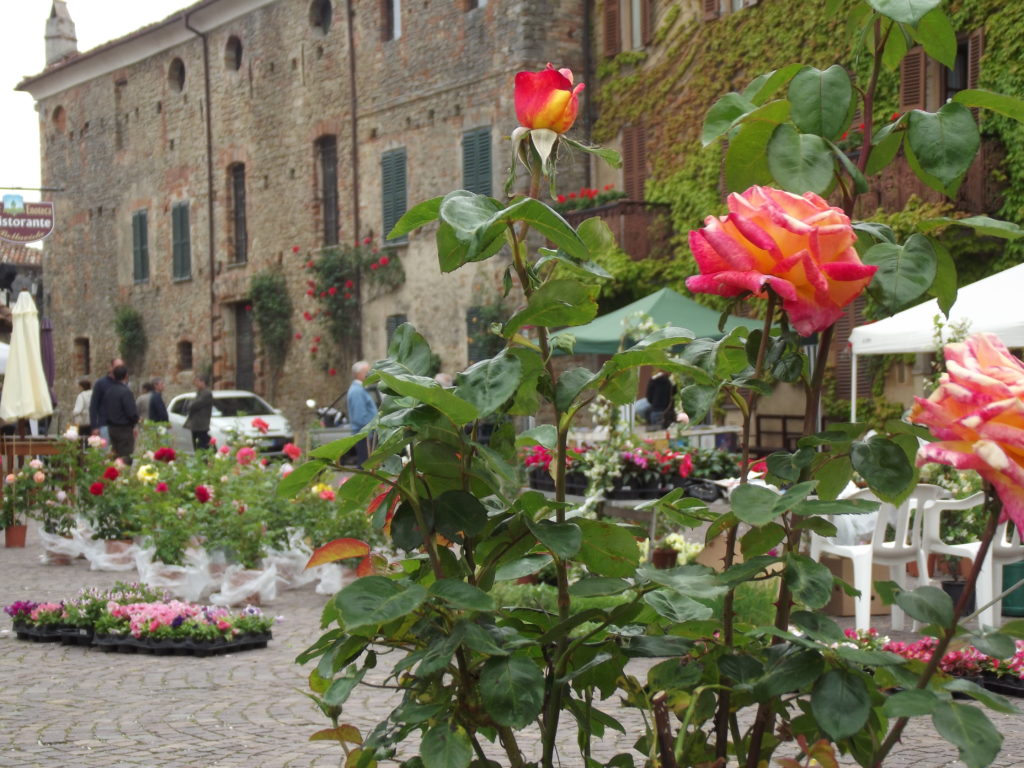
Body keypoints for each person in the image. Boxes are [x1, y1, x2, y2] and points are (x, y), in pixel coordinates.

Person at [103, 364, 139, 462]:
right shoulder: (125, 392)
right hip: (124, 429)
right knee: (126, 456)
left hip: (112, 428)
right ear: (126, 376)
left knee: (115, 455)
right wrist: (135, 421)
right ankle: (124, 476)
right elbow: (131, 412)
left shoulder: (108, 391)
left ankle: (115, 474)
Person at [347, 360, 378, 467]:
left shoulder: (360, 389)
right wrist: (373, 425)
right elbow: (359, 417)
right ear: (360, 374)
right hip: (364, 435)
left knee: (366, 464)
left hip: (365, 434)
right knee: (365, 465)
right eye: (367, 372)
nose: (369, 374)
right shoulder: (357, 391)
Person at [89, 357, 125, 440]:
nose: (119, 370)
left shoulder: (124, 385)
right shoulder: (101, 384)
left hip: (121, 427)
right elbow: (94, 406)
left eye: (121, 367)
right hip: (105, 426)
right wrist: (94, 426)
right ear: (111, 368)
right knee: (105, 452)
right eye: (117, 367)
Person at [183, 374, 214, 451]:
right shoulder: (199, 393)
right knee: (197, 446)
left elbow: (194, 405)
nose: (195, 384)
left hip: (201, 425)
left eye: (197, 381)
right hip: (196, 425)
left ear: (202, 382)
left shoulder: (206, 393)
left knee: (202, 446)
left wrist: (190, 403)